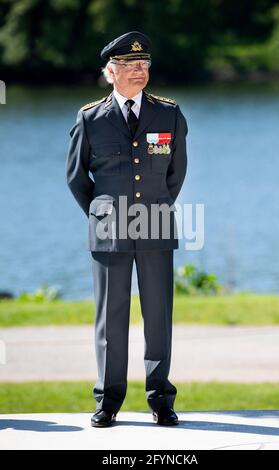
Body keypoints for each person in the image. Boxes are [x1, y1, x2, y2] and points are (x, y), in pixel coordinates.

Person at [66, 31, 188, 427]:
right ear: (111, 72)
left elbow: (176, 172)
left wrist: (155, 207)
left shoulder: (168, 113)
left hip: (154, 223)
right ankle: (108, 400)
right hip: (109, 229)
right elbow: (76, 177)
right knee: (110, 317)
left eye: (144, 66)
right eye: (131, 66)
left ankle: (161, 399)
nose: (140, 72)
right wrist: (100, 213)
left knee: (158, 316)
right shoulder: (90, 118)